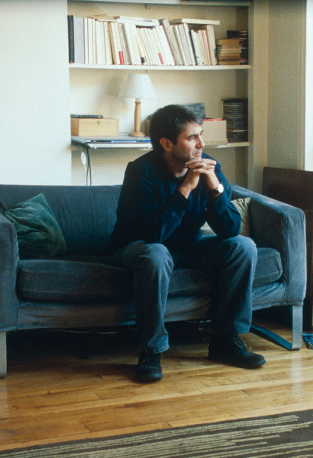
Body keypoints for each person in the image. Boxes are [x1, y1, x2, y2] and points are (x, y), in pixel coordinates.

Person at [110, 104, 265, 382]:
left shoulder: (209, 166)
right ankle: (151, 350)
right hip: (138, 248)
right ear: (166, 143)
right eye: (192, 137)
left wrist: (215, 186)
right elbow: (154, 234)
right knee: (157, 254)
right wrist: (186, 187)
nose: (201, 144)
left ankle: (225, 341)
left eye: (201, 135)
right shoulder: (140, 172)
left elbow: (230, 230)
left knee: (243, 247)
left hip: (188, 248)